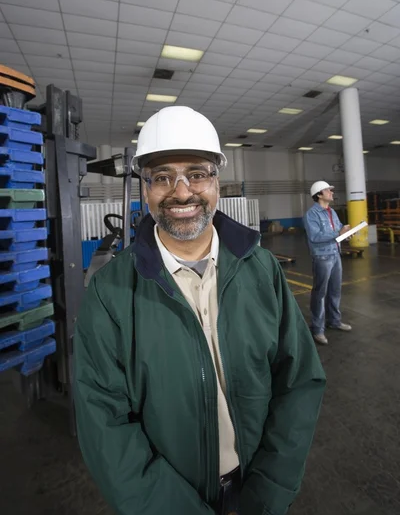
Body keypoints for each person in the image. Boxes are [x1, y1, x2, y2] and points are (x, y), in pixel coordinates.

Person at [74, 106, 326, 515]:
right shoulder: (111, 291)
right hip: (169, 497)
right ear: (146, 189)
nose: (182, 191)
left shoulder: (260, 269)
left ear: (217, 182)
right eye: (161, 177)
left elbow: (299, 382)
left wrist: (270, 489)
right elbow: (104, 423)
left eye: (197, 173)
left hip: (256, 486)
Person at [304, 181, 353, 346]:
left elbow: (338, 230)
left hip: (335, 254)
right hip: (322, 257)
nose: (332, 192)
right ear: (319, 195)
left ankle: (334, 321)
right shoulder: (312, 215)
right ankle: (317, 329)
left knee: (335, 291)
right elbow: (315, 237)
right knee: (320, 293)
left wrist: (346, 234)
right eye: (328, 190)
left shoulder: (332, 212)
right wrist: (338, 232)